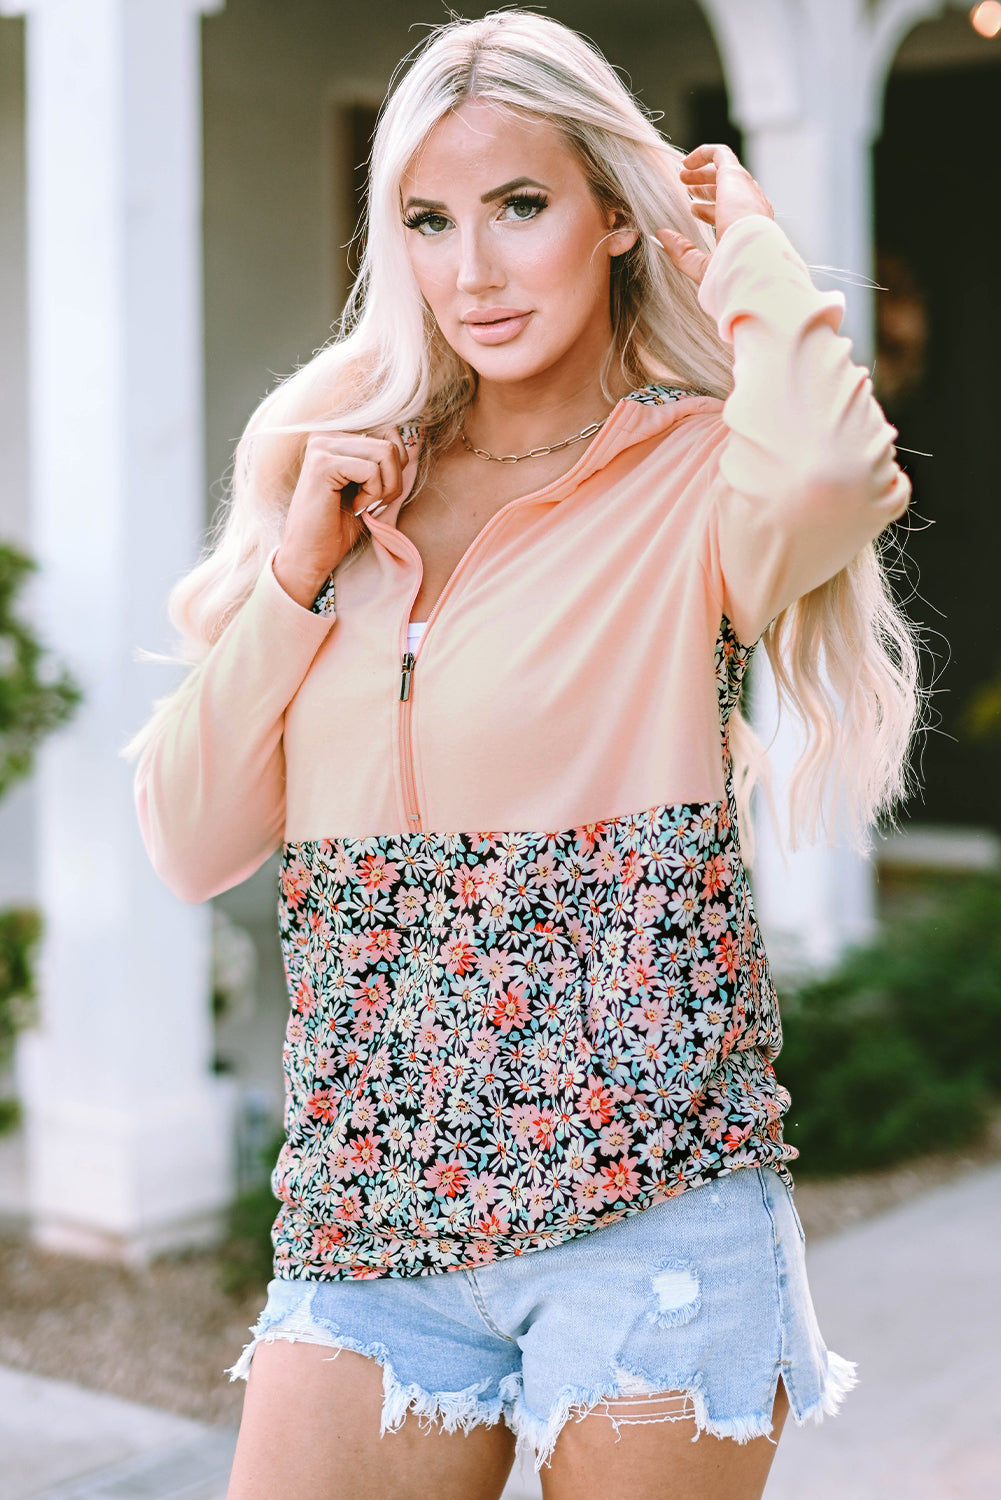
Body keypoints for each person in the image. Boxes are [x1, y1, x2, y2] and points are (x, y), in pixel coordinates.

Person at [128, 12, 919, 1499]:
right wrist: (295, 580)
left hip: (652, 1212)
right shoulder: (342, 475)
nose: (472, 271)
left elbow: (830, 467)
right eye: (428, 220)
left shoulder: (696, 476)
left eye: (519, 207)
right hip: (370, 1231)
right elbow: (187, 838)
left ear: (613, 217)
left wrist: (738, 239)